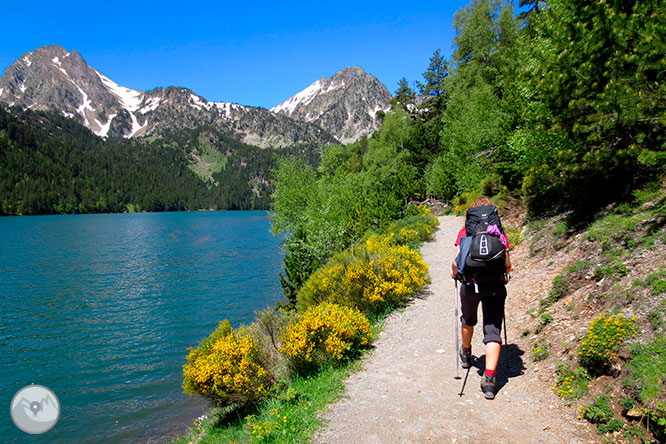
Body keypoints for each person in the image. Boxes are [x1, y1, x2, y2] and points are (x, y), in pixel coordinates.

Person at [451, 196, 511, 399]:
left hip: (470, 283)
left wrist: (455, 274)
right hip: (494, 285)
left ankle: (466, 353)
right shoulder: (498, 232)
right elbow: (507, 262)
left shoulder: (465, 232)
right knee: (493, 329)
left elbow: (456, 262)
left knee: (468, 320)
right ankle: (490, 380)